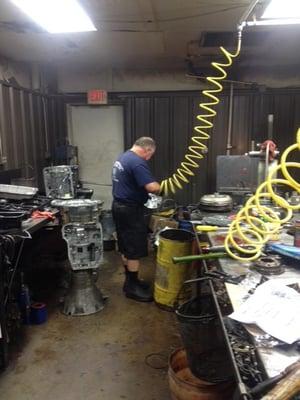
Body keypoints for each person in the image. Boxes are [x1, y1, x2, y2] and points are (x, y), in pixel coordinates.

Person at [112, 137, 160, 302]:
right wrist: (162, 186)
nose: (149, 158)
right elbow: (152, 187)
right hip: (131, 211)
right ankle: (132, 288)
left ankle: (130, 281)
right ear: (147, 149)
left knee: (125, 246)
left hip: (119, 207)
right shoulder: (137, 162)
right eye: (150, 155)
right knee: (133, 249)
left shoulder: (124, 157)